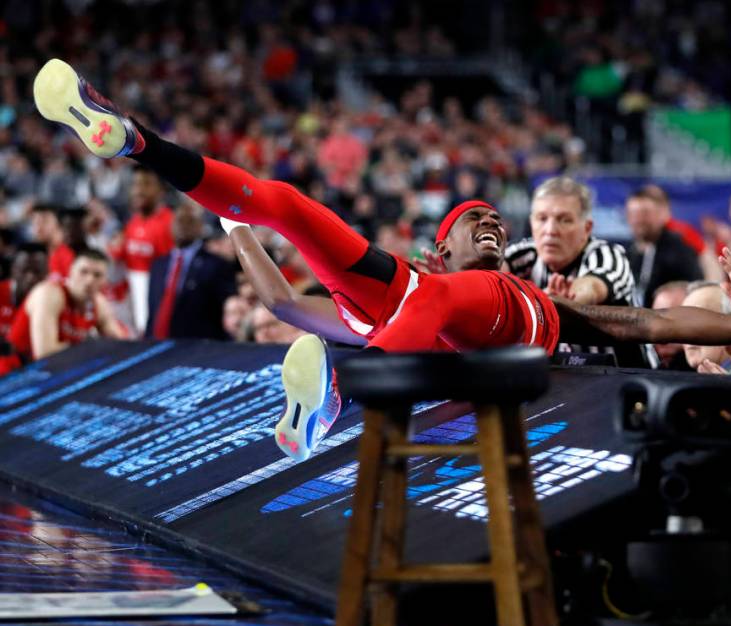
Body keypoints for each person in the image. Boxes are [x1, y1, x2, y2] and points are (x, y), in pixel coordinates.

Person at [34, 58, 559, 463]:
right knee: (283, 202)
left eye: (496, 222)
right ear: (442, 250)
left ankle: (139, 143)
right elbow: (282, 302)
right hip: (404, 320)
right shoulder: (403, 291)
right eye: (476, 221)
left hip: (427, 336)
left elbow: (283, 304)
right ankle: (136, 141)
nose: (492, 225)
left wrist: (238, 228)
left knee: (293, 215)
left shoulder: (493, 289)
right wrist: (238, 228)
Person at [504, 176, 650, 366]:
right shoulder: (522, 254)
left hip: (625, 377)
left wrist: (567, 301)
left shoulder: (607, 254)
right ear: (531, 223)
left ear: (587, 228)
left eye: (564, 220)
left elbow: (592, 286)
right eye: (542, 218)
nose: (550, 230)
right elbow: (489, 280)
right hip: (559, 379)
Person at [7, 248, 125, 361]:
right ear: (71, 272)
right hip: (11, 374)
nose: (89, 280)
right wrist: (91, 347)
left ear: (105, 281)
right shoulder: (49, 294)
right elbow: (44, 353)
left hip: (52, 374)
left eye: (97, 275)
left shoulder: (99, 303)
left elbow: (121, 345)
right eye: (83, 272)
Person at [145, 199, 236, 340]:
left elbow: (224, 314)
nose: (183, 226)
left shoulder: (217, 265)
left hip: (197, 348)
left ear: (200, 227)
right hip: (156, 346)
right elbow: (153, 311)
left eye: (189, 221)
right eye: (179, 221)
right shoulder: (158, 265)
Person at [109, 166, 175, 335]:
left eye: (146, 184)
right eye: (136, 184)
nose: (139, 190)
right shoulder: (132, 224)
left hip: (158, 300)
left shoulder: (170, 224)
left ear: (161, 190)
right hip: (132, 303)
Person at [626, 188, 702, 307]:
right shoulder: (629, 252)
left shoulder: (679, 249)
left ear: (661, 215)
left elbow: (695, 289)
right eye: (632, 214)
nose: (637, 220)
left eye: (645, 213)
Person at [0, 244, 48, 375]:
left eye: (37, 272)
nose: (30, 278)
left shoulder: (51, 303)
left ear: (47, 273)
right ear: (13, 271)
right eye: (24, 270)